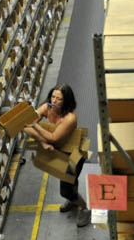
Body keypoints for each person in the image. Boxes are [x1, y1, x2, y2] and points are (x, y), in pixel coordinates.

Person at [24, 84, 91, 227]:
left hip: (73, 155)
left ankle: (84, 208)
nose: (54, 101)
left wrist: (35, 125)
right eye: (53, 97)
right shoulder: (46, 108)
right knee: (71, 182)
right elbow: (25, 126)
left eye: (58, 99)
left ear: (66, 101)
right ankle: (74, 200)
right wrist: (42, 142)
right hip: (60, 152)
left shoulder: (70, 118)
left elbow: (53, 138)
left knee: (65, 190)